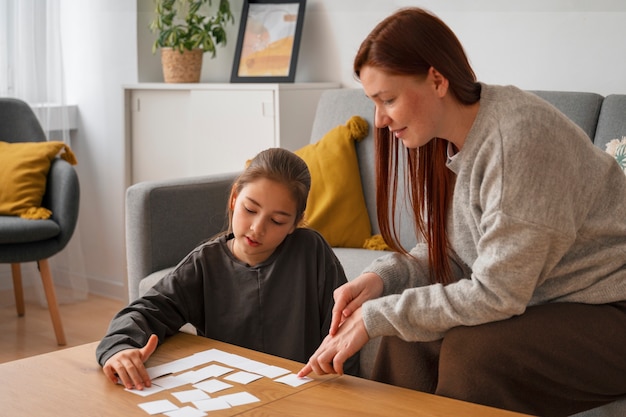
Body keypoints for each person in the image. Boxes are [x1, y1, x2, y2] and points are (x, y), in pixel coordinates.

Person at [298, 7, 626, 417]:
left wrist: (373, 318)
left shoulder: (517, 143)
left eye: (389, 99)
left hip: (612, 308)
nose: (379, 121)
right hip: (547, 301)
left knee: (472, 355)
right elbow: (451, 251)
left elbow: (497, 293)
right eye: (374, 102)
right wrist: (381, 279)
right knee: (406, 339)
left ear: (437, 80)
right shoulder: (448, 137)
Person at [97, 148, 358, 390]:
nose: (257, 228)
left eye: (277, 221)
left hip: (306, 394)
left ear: (295, 224)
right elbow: (146, 310)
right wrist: (120, 348)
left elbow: (344, 329)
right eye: (250, 209)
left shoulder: (310, 251)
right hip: (230, 395)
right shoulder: (204, 264)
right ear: (234, 198)